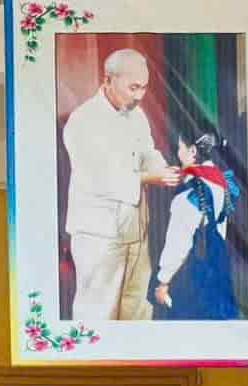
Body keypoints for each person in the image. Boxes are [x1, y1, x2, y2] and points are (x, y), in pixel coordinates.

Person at [63, 47, 179, 322]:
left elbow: (148, 152)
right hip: (98, 234)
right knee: (98, 312)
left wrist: (163, 169)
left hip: (135, 229)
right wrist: (151, 178)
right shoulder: (83, 120)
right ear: (108, 80)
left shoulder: (135, 115)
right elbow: (99, 177)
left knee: (137, 308)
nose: (139, 96)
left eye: (144, 88)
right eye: (133, 87)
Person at [150, 129, 241, 321]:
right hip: (218, 265)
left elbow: (178, 246)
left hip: (192, 275)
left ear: (192, 151)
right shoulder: (221, 181)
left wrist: (163, 282)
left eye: (180, 147)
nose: (178, 153)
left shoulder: (187, 197)